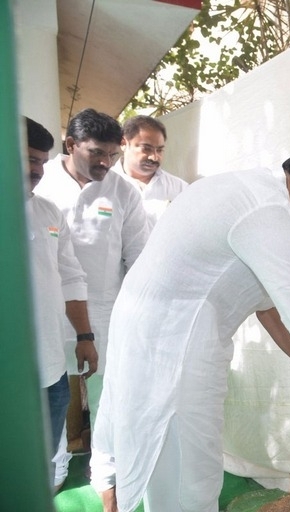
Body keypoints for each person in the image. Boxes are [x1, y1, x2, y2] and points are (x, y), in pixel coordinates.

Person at [91, 145, 290, 511]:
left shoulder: (252, 190)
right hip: (175, 346)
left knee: (144, 444)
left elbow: (271, 313)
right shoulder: (269, 212)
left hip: (148, 330)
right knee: (189, 477)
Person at [33, 108, 149, 425]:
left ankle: (104, 468)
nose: (105, 163)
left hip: (105, 311)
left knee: (106, 393)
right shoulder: (42, 184)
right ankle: (53, 468)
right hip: (48, 309)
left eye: (112, 155)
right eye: (97, 153)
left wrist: (137, 310)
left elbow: (139, 255)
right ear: (71, 144)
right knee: (50, 392)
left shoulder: (123, 191)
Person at [23, 116, 98, 491]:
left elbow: (71, 276)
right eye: (25, 158)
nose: (34, 169)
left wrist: (85, 335)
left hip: (51, 367)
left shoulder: (48, 212)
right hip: (12, 375)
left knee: (42, 458)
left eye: (39, 161)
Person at [112, 115, 188, 230]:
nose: (154, 157)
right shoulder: (103, 185)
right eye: (146, 148)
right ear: (123, 143)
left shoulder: (180, 189)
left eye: (159, 150)